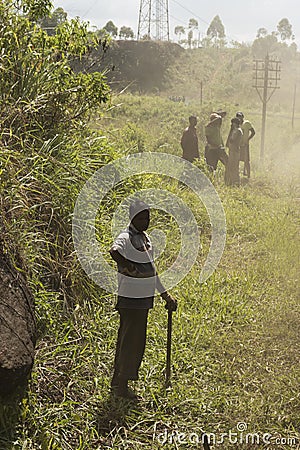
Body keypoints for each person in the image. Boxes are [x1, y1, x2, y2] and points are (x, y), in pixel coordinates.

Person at [109, 200, 177, 400]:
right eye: (140, 217)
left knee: (134, 341)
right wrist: (128, 267)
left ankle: (119, 382)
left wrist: (165, 294)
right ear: (132, 218)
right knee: (130, 341)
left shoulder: (145, 239)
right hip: (130, 299)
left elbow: (151, 271)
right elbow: (114, 251)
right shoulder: (126, 237)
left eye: (147, 217)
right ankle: (121, 386)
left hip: (143, 300)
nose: (145, 221)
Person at [236, 112, 255, 178]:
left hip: (245, 145)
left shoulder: (246, 123)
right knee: (237, 159)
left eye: (240, 116)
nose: (239, 118)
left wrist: (248, 139)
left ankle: (248, 175)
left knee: (246, 160)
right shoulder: (236, 124)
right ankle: (237, 174)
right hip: (238, 145)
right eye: (238, 116)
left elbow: (253, 132)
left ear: (243, 117)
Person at [224, 117, 243, 186]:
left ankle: (234, 182)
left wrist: (231, 130)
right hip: (234, 150)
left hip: (234, 151)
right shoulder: (238, 130)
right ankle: (234, 182)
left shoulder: (236, 131)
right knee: (234, 166)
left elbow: (231, 140)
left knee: (233, 166)